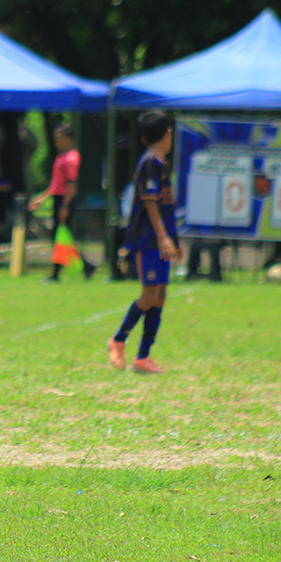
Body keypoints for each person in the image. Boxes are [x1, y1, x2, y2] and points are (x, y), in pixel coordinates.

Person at [107, 111, 178, 374]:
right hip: (148, 240)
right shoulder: (148, 163)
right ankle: (118, 339)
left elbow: (165, 205)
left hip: (161, 240)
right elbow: (149, 202)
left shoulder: (160, 164)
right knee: (149, 294)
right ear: (167, 133)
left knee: (159, 296)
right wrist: (162, 236)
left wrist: (174, 239)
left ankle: (142, 357)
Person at [28, 124, 95, 281]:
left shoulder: (71, 158)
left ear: (68, 138)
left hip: (65, 200)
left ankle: (57, 273)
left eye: (59, 138)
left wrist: (65, 206)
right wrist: (42, 198)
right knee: (63, 238)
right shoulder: (61, 156)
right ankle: (86, 266)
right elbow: (55, 185)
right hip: (58, 198)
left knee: (60, 238)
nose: (56, 141)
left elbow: (70, 185)